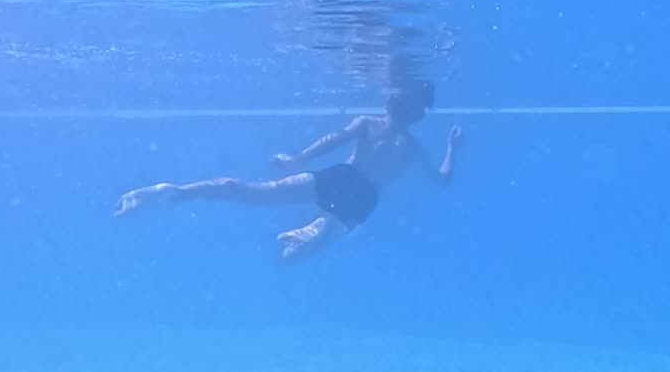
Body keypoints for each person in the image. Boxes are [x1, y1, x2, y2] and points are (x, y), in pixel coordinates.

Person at [112, 81, 462, 260]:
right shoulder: (398, 140)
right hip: (356, 195)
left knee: (256, 201)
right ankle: (172, 193)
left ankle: (175, 193)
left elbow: (330, 141)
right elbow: (441, 180)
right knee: (284, 237)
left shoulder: (376, 127)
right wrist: (296, 160)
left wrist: (298, 160)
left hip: (347, 187)